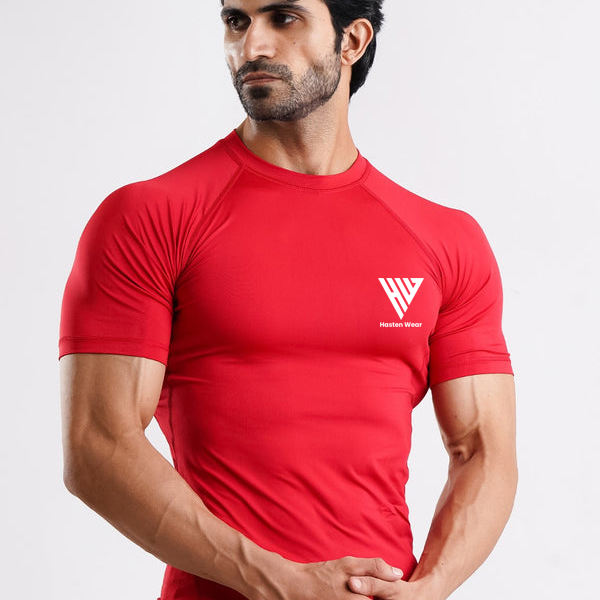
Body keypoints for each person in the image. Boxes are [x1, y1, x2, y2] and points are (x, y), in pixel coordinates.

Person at [58, 1, 518, 599]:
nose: (253, 46)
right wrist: (279, 582)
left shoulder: (444, 240)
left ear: (352, 41)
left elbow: (483, 449)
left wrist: (430, 588)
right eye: (237, 21)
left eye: (284, 17)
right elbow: (97, 446)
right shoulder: (151, 217)